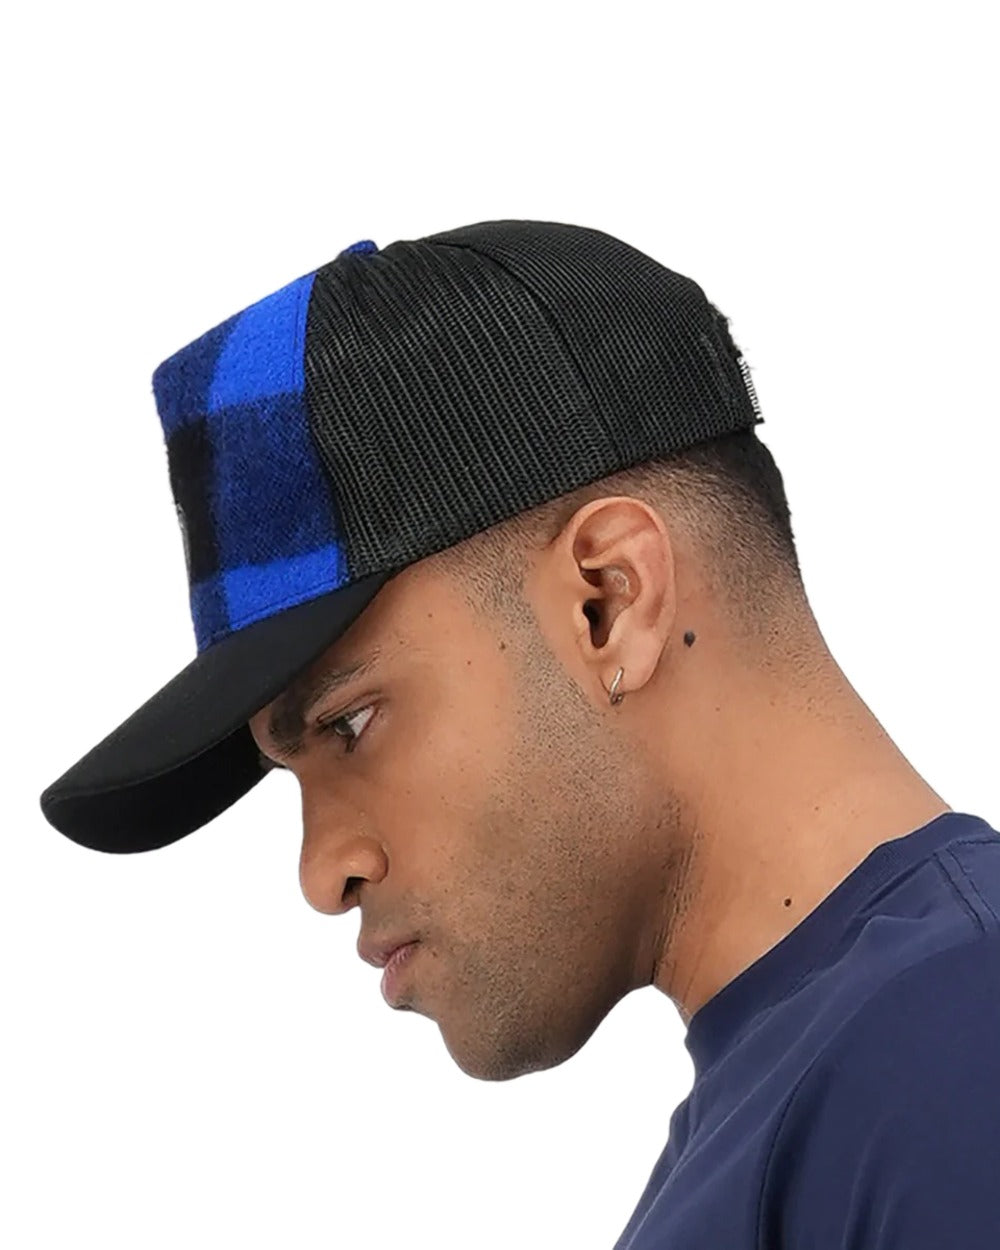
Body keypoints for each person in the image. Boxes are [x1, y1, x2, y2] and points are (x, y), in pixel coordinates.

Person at [39, 220, 1000, 1248]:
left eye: (350, 722)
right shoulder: (841, 1089)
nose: (323, 873)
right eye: (288, 772)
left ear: (607, 601)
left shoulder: (952, 1047)